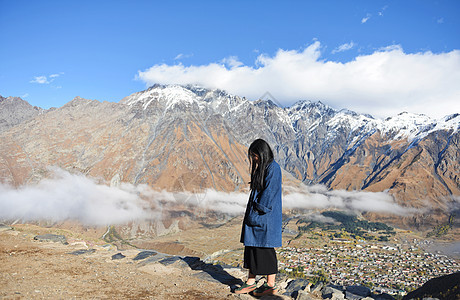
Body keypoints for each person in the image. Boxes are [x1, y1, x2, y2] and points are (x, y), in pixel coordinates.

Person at [234, 139, 282, 296]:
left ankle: (269, 284)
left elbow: (268, 194)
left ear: (261, 153)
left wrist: (258, 209)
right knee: (252, 247)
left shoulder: (273, 168)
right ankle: (251, 282)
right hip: (259, 215)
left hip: (264, 217)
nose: (254, 159)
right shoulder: (264, 167)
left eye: (255, 155)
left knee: (265, 249)